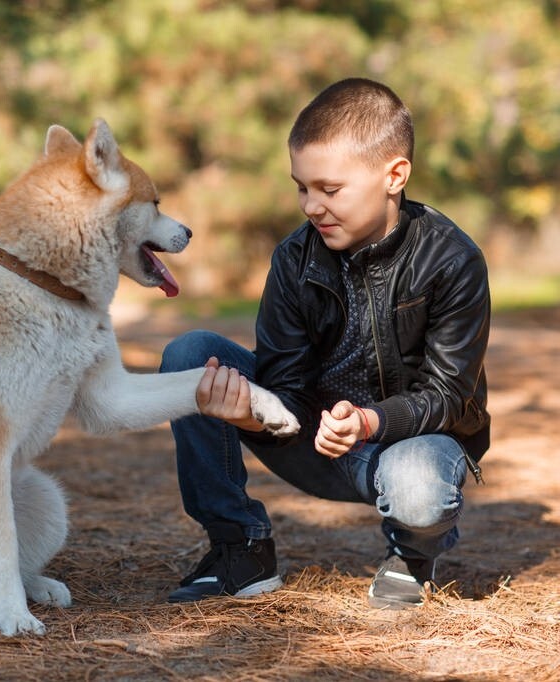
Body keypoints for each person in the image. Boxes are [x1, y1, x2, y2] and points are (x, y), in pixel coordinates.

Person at [160, 77, 490, 609]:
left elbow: (452, 397)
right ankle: (240, 546)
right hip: (312, 441)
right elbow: (284, 388)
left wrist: (368, 422)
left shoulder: (451, 260)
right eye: (301, 187)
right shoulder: (294, 259)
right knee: (190, 356)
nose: (311, 206)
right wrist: (250, 415)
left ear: (395, 176)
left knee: (420, 489)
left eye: (329, 190)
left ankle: (411, 554)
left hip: (407, 447)